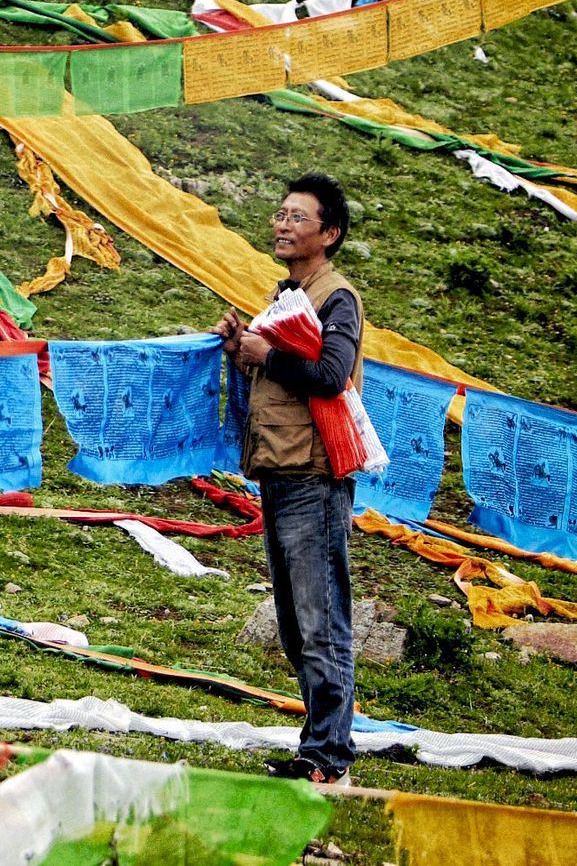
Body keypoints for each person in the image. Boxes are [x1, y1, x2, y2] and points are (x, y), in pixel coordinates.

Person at [217, 172, 365, 785]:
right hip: (279, 469)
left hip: (314, 474)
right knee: (293, 616)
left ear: (329, 234)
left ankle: (329, 755)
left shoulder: (336, 299)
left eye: (298, 218)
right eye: (280, 214)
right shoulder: (288, 296)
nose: (282, 224)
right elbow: (280, 375)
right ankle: (316, 747)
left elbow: (331, 374)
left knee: (319, 615)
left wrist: (265, 354)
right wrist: (242, 347)